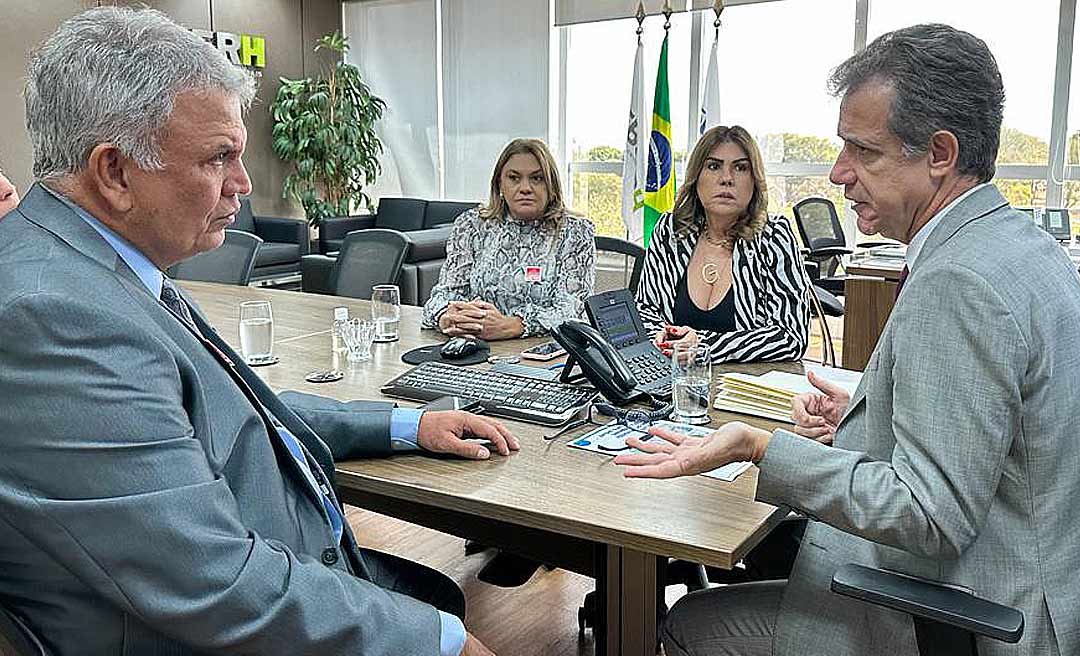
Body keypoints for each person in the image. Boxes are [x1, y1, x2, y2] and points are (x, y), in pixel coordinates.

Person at [0, 8, 516, 656]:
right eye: (221, 158)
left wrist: (407, 426)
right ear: (115, 172)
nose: (244, 186)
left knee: (434, 596)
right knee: (437, 613)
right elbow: (214, 582)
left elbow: (231, 407)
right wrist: (443, 646)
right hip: (236, 621)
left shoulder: (94, 266)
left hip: (290, 569)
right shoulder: (54, 315)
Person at [616, 24, 1079, 656]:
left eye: (863, 151)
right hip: (1029, 580)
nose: (838, 173)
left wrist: (759, 445)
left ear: (939, 153)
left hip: (964, 613)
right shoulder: (1022, 248)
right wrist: (866, 421)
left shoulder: (958, 282)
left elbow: (928, 515)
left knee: (691, 623)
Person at [636, 125, 809, 363]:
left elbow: (791, 337)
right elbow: (645, 309)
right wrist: (663, 338)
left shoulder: (774, 236)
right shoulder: (670, 230)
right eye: (713, 166)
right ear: (697, 177)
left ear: (754, 180)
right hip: (671, 381)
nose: (726, 179)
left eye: (740, 168)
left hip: (742, 388)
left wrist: (703, 347)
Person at [422, 138, 595, 340]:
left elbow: (573, 311)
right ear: (500, 184)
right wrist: (448, 317)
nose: (525, 188)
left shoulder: (574, 232)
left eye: (537, 178)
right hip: (475, 346)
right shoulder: (471, 225)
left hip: (541, 353)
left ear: (552, 186)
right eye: (514, 178)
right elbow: (442, 296)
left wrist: (513, 325)